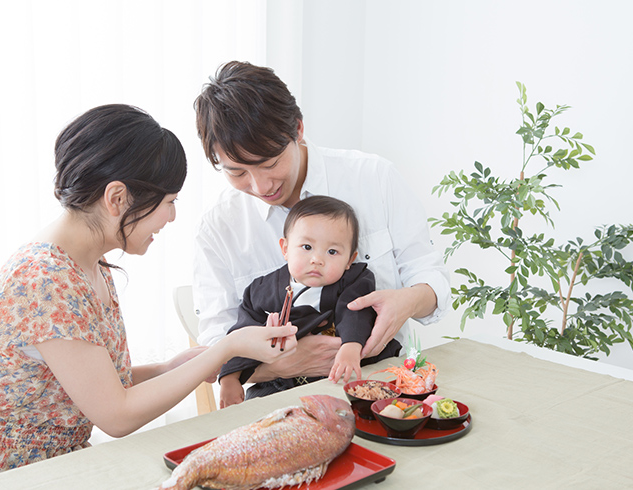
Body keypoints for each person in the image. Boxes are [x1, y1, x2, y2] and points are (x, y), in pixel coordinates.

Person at [0, 104, 297, 489]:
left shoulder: (88, 263)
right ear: (117, 198)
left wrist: (168, 368)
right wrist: (226, 348)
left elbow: (89, 385)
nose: (170, 217)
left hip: (57, 467)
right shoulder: (45, 279)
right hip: (4, 476)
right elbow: (116, 416)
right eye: (169, 202)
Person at [192, 61, 451, 399]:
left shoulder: (373, 178)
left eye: (270, 163)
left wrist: (408, 300)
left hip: (377, 386)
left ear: (297, 129)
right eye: (237, 172)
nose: (260, 185)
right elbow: (217, 343)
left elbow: (432, 279)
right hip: (273, 400)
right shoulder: (219, 228)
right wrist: (281, 365)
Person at [219, 195, 402, 407]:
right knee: (257, 409)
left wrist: (351, 347)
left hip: (340, 373)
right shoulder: (261, 290)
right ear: (285, 248)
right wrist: (230, 377)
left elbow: (355, 311)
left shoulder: (354, 281)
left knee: (369, 397)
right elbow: (241, 334)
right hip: (281, 383)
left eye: (332, 251)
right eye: (307, 247)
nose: (317, 259)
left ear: (350, 260)